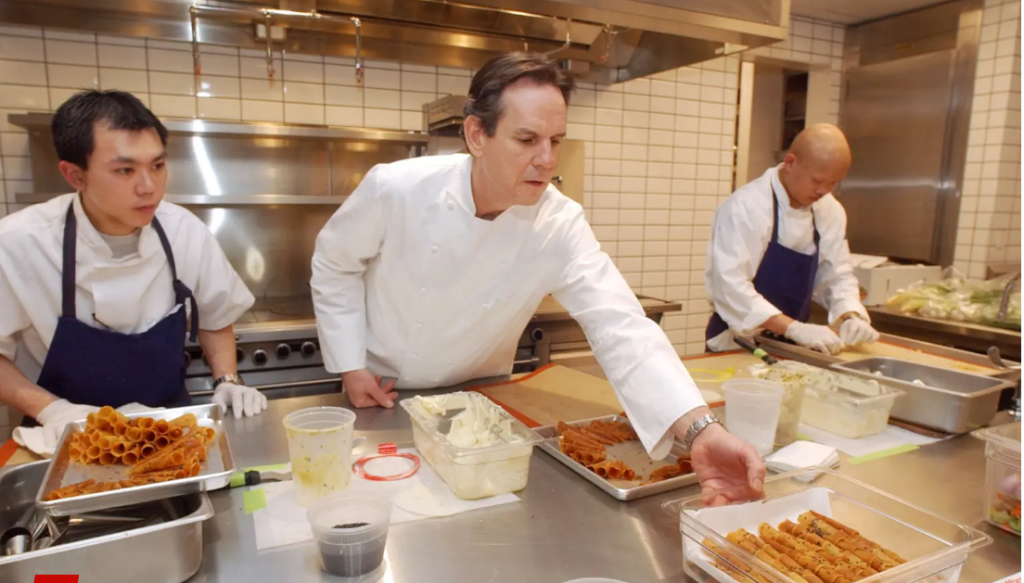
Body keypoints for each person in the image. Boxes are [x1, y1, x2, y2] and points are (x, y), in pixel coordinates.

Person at [312, 52, 764, 498]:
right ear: (476, 134)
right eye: (527, 140)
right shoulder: (397, 188)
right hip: (383, 395)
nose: (547, 160)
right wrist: (351, 365)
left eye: (556, 140)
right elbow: (335, 263)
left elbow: (620, 325)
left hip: (481, 403)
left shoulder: (559, 223)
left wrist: (700, 430)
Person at [0, 90, 267, 453]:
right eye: (125, 170)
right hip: (65, 440)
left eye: (157, 165)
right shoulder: (18, 243)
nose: (149, 187)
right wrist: (53, 410)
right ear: (74, 174)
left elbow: (216, 316)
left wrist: (229, 379)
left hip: (170, 434)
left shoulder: (182, 230)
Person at [704, 123, 879, 354]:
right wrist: (794, 329)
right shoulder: (747, 207)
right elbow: (730, 287)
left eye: (833, 183)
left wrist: (850, 314)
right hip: (739, 343)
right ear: (790, 163)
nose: (823, 191)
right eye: (817, 181)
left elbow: (836, 274)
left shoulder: (829, 210)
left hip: (796, 346)